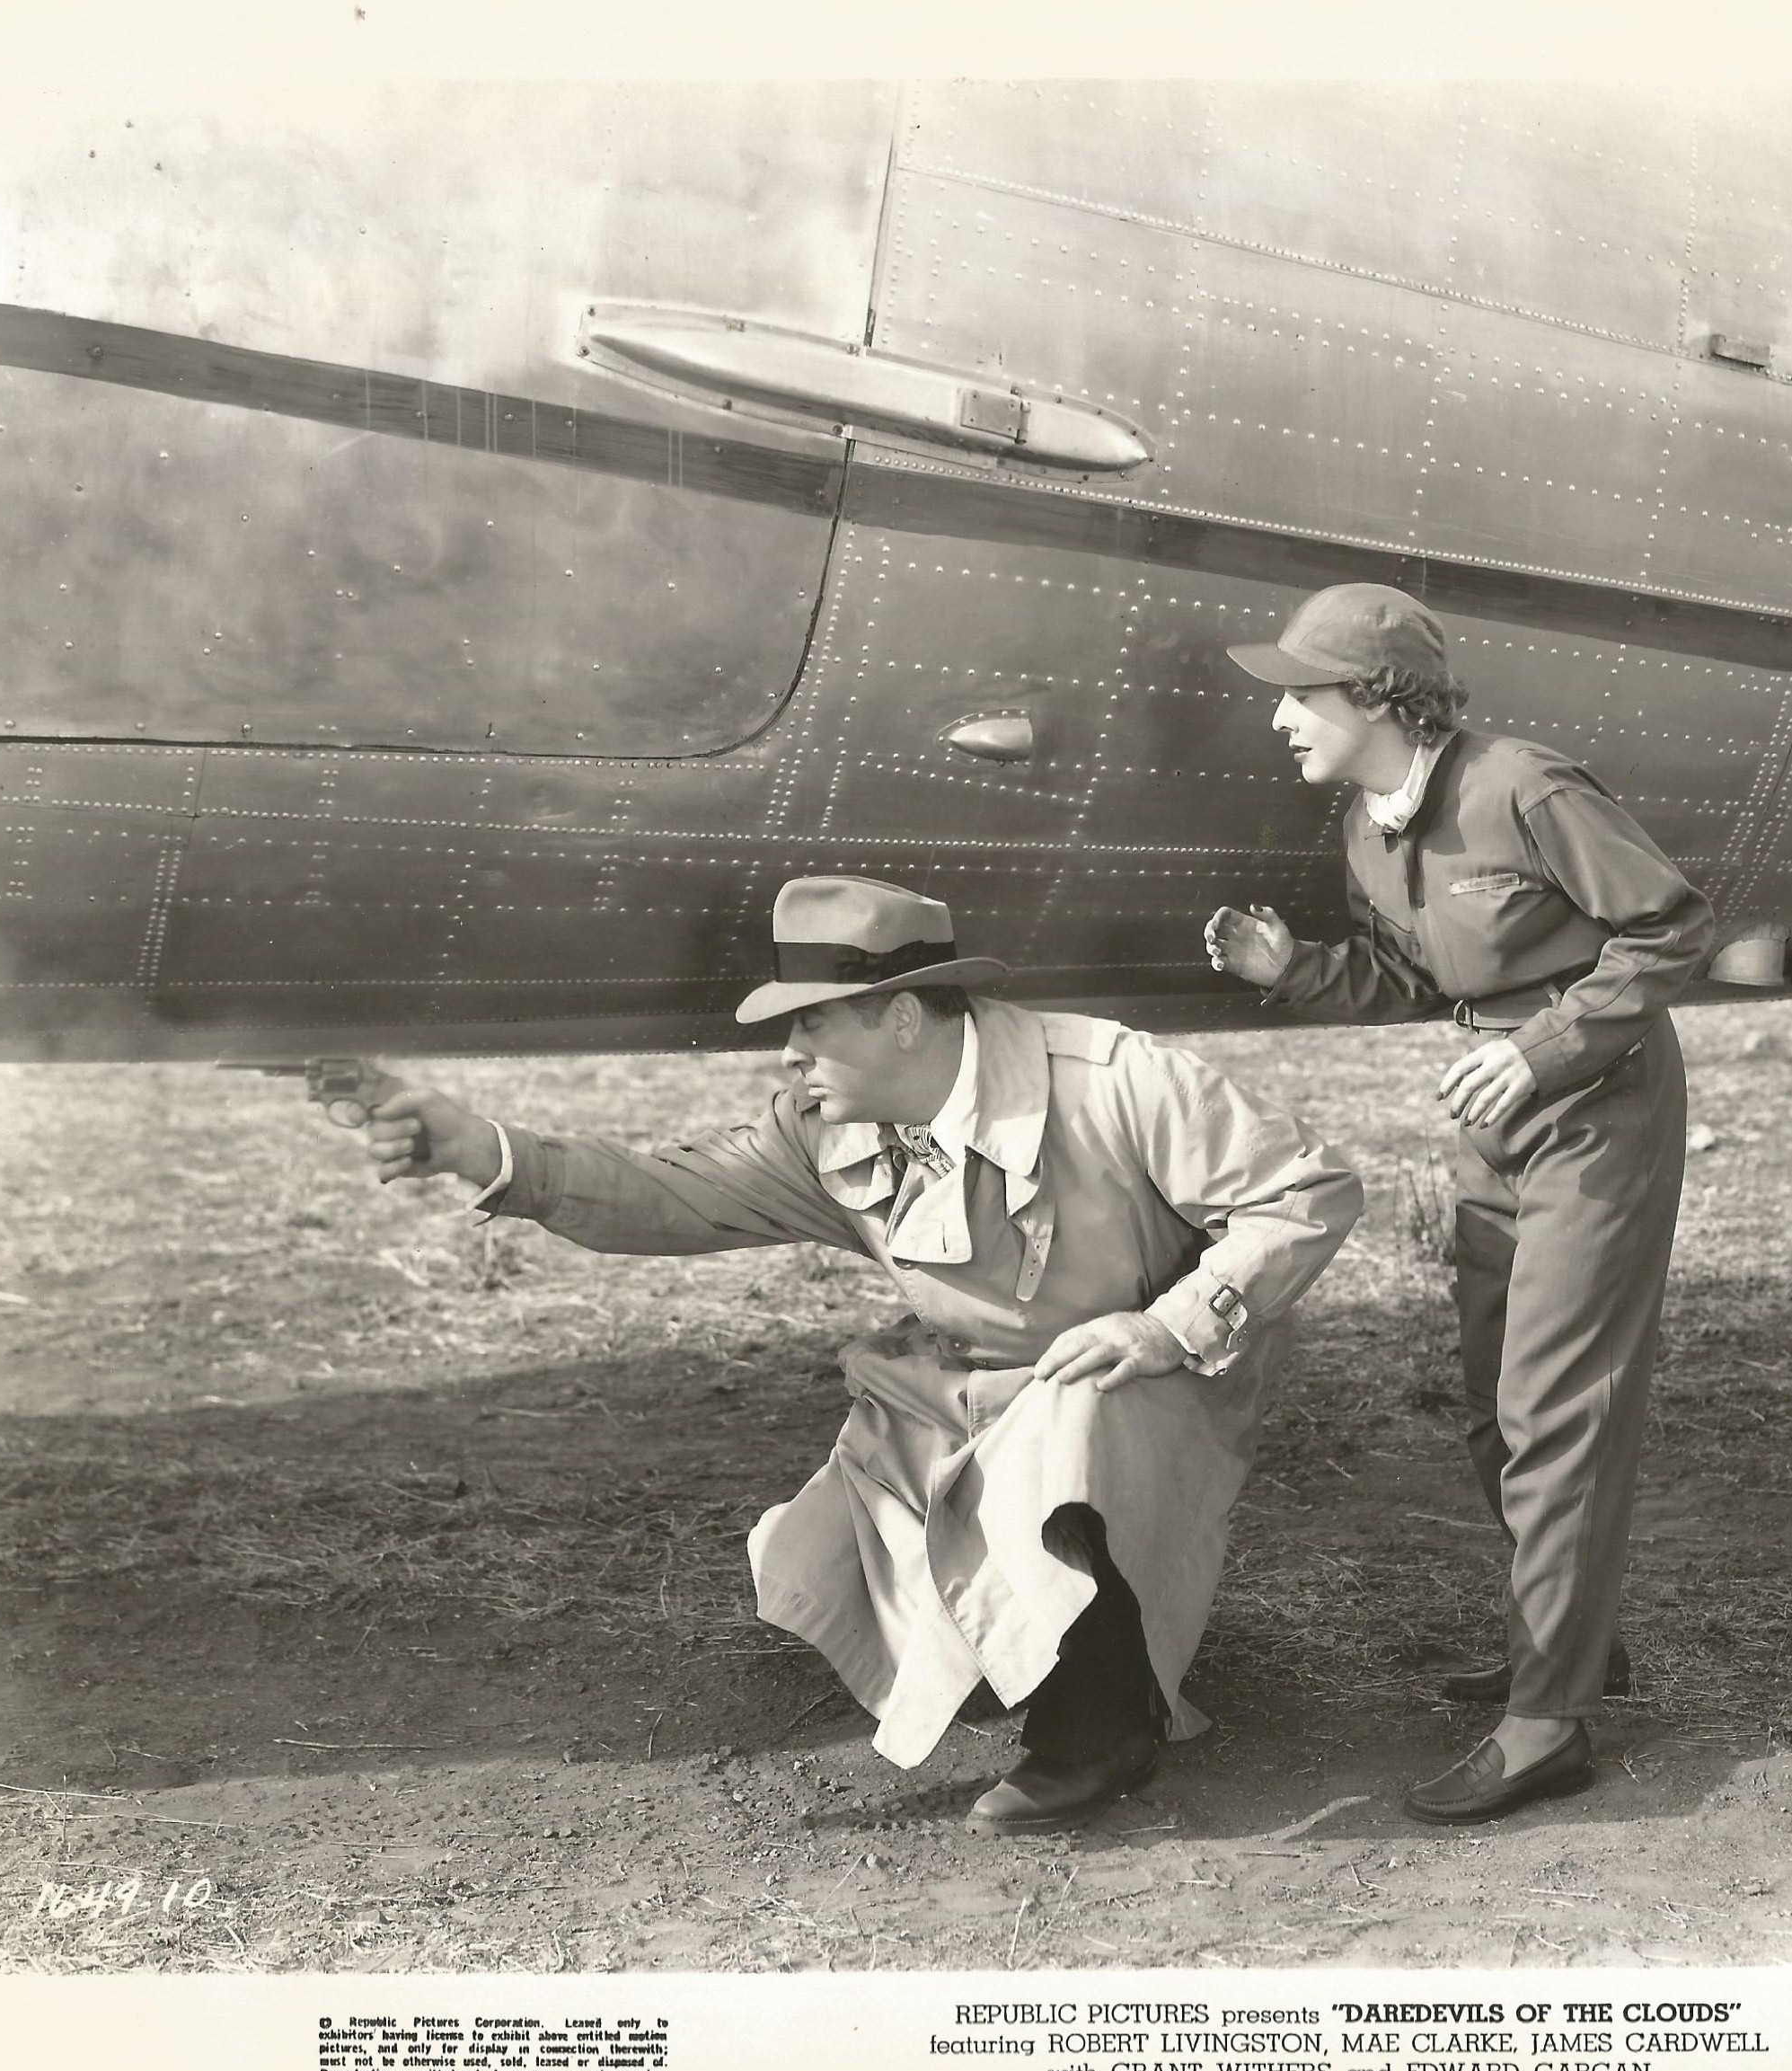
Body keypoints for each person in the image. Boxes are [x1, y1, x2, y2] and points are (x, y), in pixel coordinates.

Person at [352, 875, 1362, 1835]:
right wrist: (482, 1149)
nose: (789, 1054)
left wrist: (1164, 1324)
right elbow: (669, 1191)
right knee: (824, 1549)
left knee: (1073, 1419)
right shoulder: (823, 1129)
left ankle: (1108, 1717)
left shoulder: (1115, 1077)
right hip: (978, 1386)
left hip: (1157, 1374)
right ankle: (1008, 1641)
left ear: (902, 1016)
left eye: (810, 1022)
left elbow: (1305, 1193)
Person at [1205, 583, 1715, 1824]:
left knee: (1555, 1410)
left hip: (1597, 1103)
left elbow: (1672, 929)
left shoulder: (1521, 785)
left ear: (1379, 698)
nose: (1280, 718)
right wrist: (1296, 971)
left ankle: (1548, 1722)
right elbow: (1404, 975)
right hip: (1495, 1118)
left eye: (1301, 692)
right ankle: (1576, 1645)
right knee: (1494, 1408)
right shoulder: (1366, 825)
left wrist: (1544, 1048)